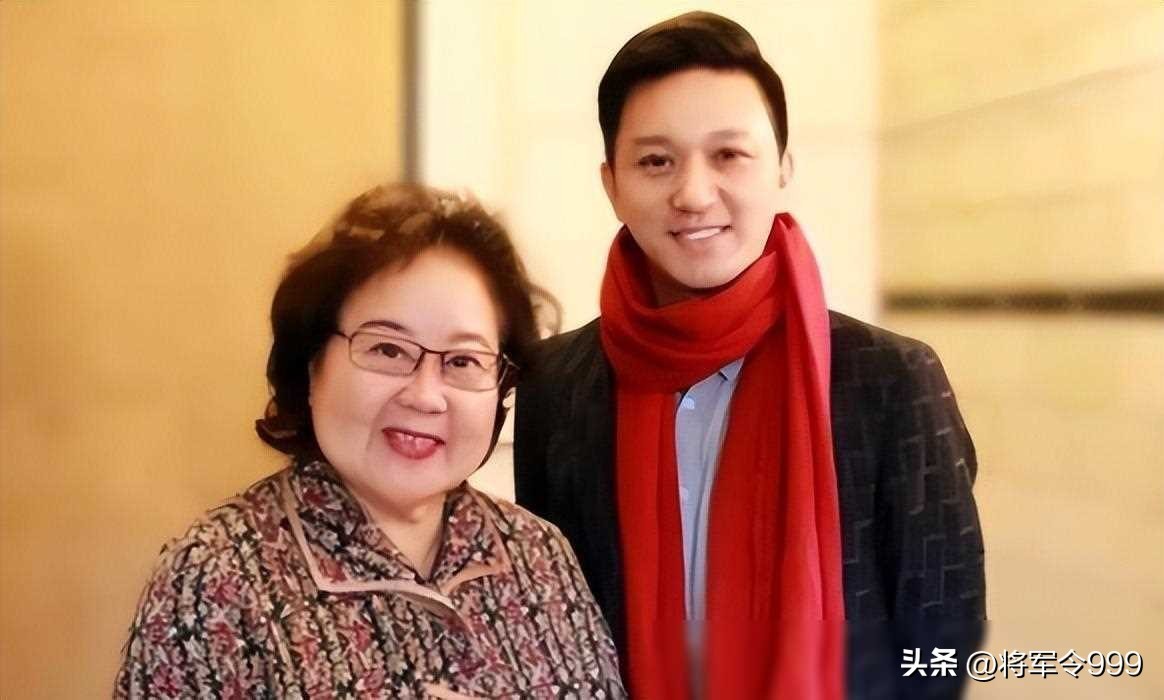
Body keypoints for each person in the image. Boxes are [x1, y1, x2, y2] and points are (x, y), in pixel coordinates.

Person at [513, 12, 985, 700]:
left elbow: (941, 646)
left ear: (783, 168)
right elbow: (551, 632)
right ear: (611, 183)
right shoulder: (554, 385)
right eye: (656, 161)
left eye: (729, 155)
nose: (693, 194)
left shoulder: (890, 381)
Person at [116, 184, 626, 699]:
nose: (426, 396)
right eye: (387, 349)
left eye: (463, 361)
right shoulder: (217, 572)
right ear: (311, 364)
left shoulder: (539, 553)